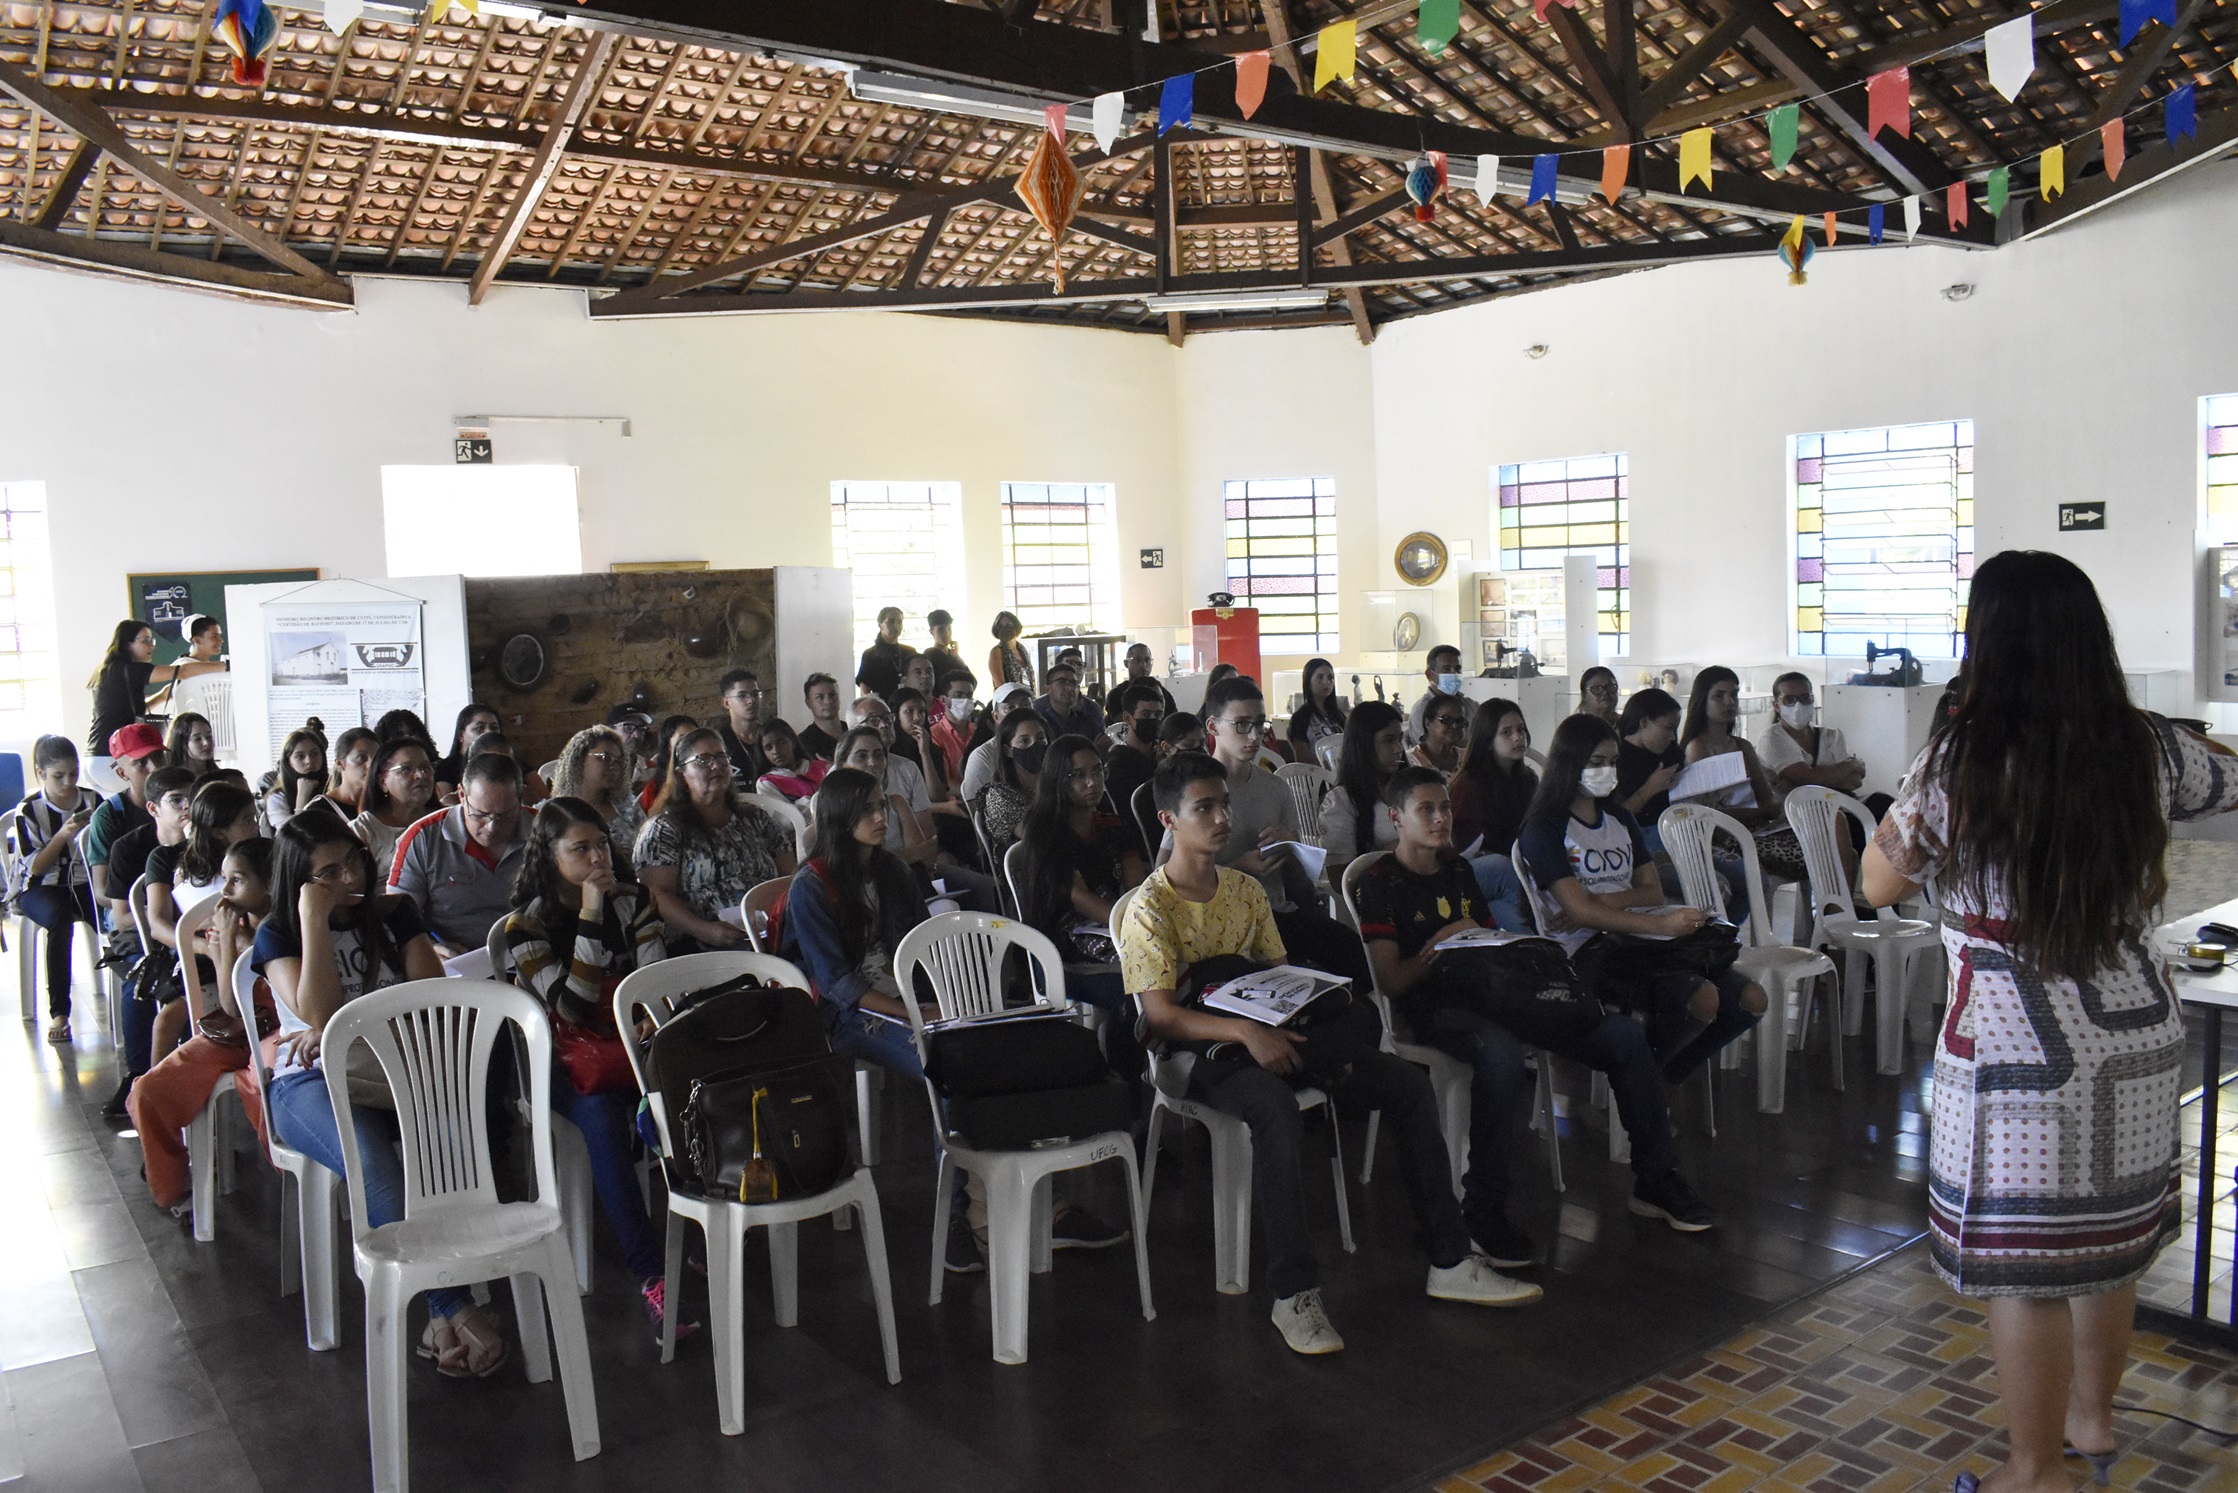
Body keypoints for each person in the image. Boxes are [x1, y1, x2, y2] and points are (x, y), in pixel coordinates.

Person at [1859, 551, 2238, 1493]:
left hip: (2017, 1053)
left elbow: (1879, 882)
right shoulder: (2148, 745)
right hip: (2135, 1040)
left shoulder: (1961, 758)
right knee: (2106, 1252)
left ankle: (2035, 1474)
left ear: (1987, 639)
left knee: (2025, 1268)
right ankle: (2093, 1426)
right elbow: (2230, 782)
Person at [1122, 751, 1535, 1354]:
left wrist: (1298, 1009)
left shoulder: (1243, 890)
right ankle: (1294, 1293)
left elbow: (1278, 972)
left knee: (1406, 1084)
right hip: (1197, 1054)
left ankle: (1449, 1259)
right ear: (1168, 820)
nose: (1221, 819)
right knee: (1275, 1109)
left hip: (1269, 1032)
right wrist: (1245, 1034)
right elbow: (1160, 1015)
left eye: (1223, 805)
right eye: (1203, 809)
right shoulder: (1150, 906)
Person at [1357, 766, 1712, 1256]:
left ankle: (1655, 1179)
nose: (1441, 818)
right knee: (1501, 1055)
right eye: (1427, 810)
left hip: (1495, 990)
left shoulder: (1458, 870)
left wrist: (1497, 940)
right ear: (1397, 818)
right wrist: (1440, 944)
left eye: (1445, 807)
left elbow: (1488, 942)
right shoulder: (1378, 882)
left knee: (1623, 1036)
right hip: (1435, 1004)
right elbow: (1392, 982)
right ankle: (1483, 1210)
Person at [254, 807, 506, 1378]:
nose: (350, 878)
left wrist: (347, 1025)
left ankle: (440, 1323)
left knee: (452, 1150)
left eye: (353, 861)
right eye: (329, 873)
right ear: (300, 883)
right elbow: (318, 1012)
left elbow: (432, 1002)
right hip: (309, 1082)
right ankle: (454, 1306)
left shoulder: (395, 913)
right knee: (373, 1164)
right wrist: (314, 920)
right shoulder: (280, 932)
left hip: (396, 1074)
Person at [502, 797, 693, 1342]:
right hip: (567, 1065)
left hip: (633, 1047)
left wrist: (651, 1017)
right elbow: (573, 1008)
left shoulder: (634, 901)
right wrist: (591, 913)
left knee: (693, 1085)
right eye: (580, 849)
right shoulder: (526, 924)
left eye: (602, 845)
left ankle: (700, 1230)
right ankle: (652, 1276)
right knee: (603, 1118)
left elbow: (654, 981)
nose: (597, 859)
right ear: (551, 856)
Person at [1518, 714, 1765, 1091]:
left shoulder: (1618, 816)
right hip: (1587, 953)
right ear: (1570, 763)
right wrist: (1660, 924)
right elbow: (1579, 912)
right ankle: (1645, 1086)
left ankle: (1656, 1077)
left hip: (1640, 941)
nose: (1607, 771)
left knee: (1752, 999)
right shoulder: (1545, 827)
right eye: (1596, 762)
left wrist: (1603, 900)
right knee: (1702, 1000)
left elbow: (1651, 892)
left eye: (1613, 761)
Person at [1180, 676, 1368, 985]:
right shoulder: (1194, 790)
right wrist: (1238, 868)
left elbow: (1297, 882)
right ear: (1213, 726)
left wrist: (1291, 848)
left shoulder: (1276, 787)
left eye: (1260, 724)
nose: (1254, 735)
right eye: (1241, 725)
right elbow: (1167, 876)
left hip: (1273, 914)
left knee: (1357, 956)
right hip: (1215, 921)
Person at [128, 836, 276, 1218]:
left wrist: (239, 942)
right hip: (234, 1032)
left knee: (269, 1088)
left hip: (279, 1033)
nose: (224, 892)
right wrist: (225, 943)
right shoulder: (229, 925)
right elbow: (230, 1005)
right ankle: (173, 1188)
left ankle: (297, 1174)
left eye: (237, 880)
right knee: (148, 1091)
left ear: (270, 882)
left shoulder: (290, 924)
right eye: (225, 880)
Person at [781, 767, 930, 1082]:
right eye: (865, 810)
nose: (880, 817)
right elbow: (836, 982)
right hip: (846, 1013)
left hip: (907, 990)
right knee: (939, 1057)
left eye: (881, 805)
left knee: (974, 1040)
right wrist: (914, 1013)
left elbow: (924, 940)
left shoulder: (893, 870)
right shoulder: (811, 886)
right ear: (840, 816)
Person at [1014, 734, 1142, 1024]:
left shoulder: (1112, 825)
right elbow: (1078, 898)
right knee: (1143, 987)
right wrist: (1137, 927)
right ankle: (1120, 1050)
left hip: (1112, 928)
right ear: (1058, 781)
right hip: (1060, 949)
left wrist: (1144, 920)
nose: (1092, 782)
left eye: (1097, 771)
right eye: (1078, 776)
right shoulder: (1045, 833)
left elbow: (1136, 886)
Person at [632, 727, 794, 952]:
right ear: (680, 775)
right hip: (701, 943)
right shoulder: (664, 829)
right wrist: (704, 930)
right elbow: (657, 894)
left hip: (770, 932)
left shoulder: (756, 818)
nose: (716, 766)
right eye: (703, 760)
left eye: (721, 758)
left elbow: (790, 876)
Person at [7, 736, 105, 1041]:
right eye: (58, 776)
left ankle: (134, 991)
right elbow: (35, 868)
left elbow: (106, 853)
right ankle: (60, 1012)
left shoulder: (93, 801)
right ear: (41, 773)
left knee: (113, 915)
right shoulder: (28, 810)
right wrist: (62, 835)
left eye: (73, 774)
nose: (68, 782)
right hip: (40, 887)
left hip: (85, 882)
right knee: (60, 921)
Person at [389, 752, 530, 957]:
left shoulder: (545, 830)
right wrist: (431, 947)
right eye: (480, 814)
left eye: (504, 815)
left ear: (521, 797)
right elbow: (397, 917)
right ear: (461, 795)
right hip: (456, 958)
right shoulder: (422, 838)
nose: (491, 827)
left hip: (532, 952)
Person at [1680, 666, 1802, 877]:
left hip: (1756, 829)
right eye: (1719, 696)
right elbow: (1707, 814)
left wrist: (1762, 809)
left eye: (1734, 695)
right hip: (1723, 838)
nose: (1729, 702)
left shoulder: (1741, 746)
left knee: (1825, 845)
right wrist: (1757, 811)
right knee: (1811, 854)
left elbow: (1769, 801)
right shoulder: (1698, 747)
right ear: (1702, 701)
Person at [85, 619, 223, 774]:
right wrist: (230, 665)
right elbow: (182, 671)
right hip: (111, 757)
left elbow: (126, 712)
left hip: (95, 757)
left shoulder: (110, 669)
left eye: (152, 641)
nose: (151, 646)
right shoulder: (129, 669)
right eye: (146, 641)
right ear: (127, 643)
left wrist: (161, 697)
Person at [1445, 698, 1536, 931]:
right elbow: (1462, 845)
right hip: (1473, 871)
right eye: (1507, 732)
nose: (1518, 737)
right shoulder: (1469, 785)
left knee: (1499, 909)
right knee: (1500, 867)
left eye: (1521, 729)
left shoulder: (1527, 779)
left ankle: (1536, 943)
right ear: (1487, 741)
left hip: (1515, 869)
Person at [1760, 672, 1890, 823]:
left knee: (1883, 804)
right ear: (1776, 705)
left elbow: (1854, 781)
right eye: (1789, 700)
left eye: (1805, 698)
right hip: (1801, 819)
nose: (1798, 705)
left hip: (1841, 808)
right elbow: (1808, 778)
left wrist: (1802, 784)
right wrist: (1852, 764)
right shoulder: (1773, 738)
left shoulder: (1831, 736)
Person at [1321, 700, 1406, 884]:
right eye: (1388, 740)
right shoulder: (1342, 800)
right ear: (1364, 744)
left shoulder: (1408, 787)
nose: (1398, 748)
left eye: (1400, 739)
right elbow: (1338, 878)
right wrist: (1391, 853)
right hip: (1381, 890)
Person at [85, 723, 164, 905]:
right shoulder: (108, 816)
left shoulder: (181, 805)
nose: (154, 767)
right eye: (141, 762)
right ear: (122, 773)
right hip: (127, 906)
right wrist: (151, 907)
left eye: (158, 757)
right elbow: (101, 892)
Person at [548, 725, 646, 862]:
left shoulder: (628, 807)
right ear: (579, 760)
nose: (614, 766)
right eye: (605, 757)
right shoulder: (557, 812)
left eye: (619, 761)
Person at [351, 736, 438, 883]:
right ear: (382, 781)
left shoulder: (448, 821)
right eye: (406, 769)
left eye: (425, 767)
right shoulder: (364, 830)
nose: (420, 775)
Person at [974, 708, 1047, 854]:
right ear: (1008, 750)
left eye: (1040, 738)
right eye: (1024, 741)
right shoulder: (1000, 796)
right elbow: (1040, 839)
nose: (1035, 746)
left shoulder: (1054, 781)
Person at [1103, 680, 1166, 830]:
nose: (1153, 720)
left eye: (1158, 715)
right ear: (1127, 718)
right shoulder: (1116, 769)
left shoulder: (1164, 758)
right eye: (1146, 715)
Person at [960, 683, 1032, 803]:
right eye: (1010, 707)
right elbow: (978, 806)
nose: (1020, 711)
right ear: (996, 716)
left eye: (1025, 704)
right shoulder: (983, 756)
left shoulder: (1046, 743)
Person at [1285, 657, 1348, 763]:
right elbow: (1302, 759)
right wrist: (1331, 765)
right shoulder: (1301, 718)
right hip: (1318, 772)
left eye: (1330, 677)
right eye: (1320, 677)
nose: (1326, 682)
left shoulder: (1338, 715)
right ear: (1308, 681)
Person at [928, 669, 984, 788]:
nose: (965, 700)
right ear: (943, 700)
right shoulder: (934, 736)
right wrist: (971, 795)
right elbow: (944, 781)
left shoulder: (979, 732)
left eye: (969, 696)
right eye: (958, 695)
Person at [265, 729, 329, 831]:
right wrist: (302, 796)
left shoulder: (334, 785)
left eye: (314, 754)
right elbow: (290, 834)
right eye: (300, 756)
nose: (309, 761)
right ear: (288, 761)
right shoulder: (277, 797)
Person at [434, 703, 503, 797]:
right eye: (479, 728)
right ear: (461, 735)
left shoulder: (509, 763)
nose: (489, 732)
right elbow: (446, 802)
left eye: (494, 728)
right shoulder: (444, 768)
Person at [715, 668, 771, 783]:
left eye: (755, 694)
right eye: (742, 696)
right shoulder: (718, 741)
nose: (751, 701)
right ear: (726, 702)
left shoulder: (771, 734)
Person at [1405, 644, 1465, 747]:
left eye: (1458, 669)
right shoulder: (1421, 711)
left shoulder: (1471, 705)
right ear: (1429, 675)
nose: (1454, 673)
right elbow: (1427, 750)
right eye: (1446, 669)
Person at [755, 720, 829, 803]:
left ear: (793, 742)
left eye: (781, 743)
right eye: (768, 748)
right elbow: (782, 810)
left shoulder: (822, 769)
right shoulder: (767, 782)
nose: (775, 751)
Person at [1101, 643, 1176, 723]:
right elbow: (1123, 724)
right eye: (1138, 660)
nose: (1143, 665)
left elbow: (1173, 722)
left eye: (1147, 660)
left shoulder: (1162, 693)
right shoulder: (1116, 694)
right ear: (1126, 663)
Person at [637, 715, 698, 813]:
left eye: (695, 738)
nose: (690, 744)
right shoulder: (654, 789)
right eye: (682, 738)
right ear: (668, 746)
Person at [1034, 660, 1103, 745]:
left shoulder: (1087, 721)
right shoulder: (1040, 725)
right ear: (1048, 689)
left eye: (1073, 683)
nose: (1070, 688)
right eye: (1062, 682)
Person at [856, 607, 913, 699]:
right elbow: (865, 687)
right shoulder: (870, 654)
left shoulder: (910, 652)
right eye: (891, 622)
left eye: (899, 622)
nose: (896, 626)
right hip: (883, 704)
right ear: (880, 625)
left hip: (907, 702)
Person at [1409, 691, 1469, 778]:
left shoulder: (1468, 759)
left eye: (1460, 721)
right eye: (1447, 720)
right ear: (1428, 722)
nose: (1455, 726)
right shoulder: (1410, 762)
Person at [324, 727, 379, 818]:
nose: (371, 765)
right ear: (340, 764)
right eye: (361, 757)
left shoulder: (384, 805)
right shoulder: (321, 808)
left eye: (376, 758)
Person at [605, 704, 656, 796]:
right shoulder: (599, 767)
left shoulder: (652, 770)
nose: (636, 735)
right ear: (611, 730)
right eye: (628, 728)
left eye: (641, 729)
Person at [796, 674, 846, 762]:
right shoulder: (803, 743)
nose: (828, 701)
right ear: (808, 703)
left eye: (833, 695)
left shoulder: (853, 731)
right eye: (819, 697)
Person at [988, 610, 1035, 695]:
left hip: (1028, 697)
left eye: (1008, 626)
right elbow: (1001, 685)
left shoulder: (1022, 650)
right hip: (1009, 699)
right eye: (1001, 626)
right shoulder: (997, 652)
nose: (1005, 629)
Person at [164, 712, 218, 780]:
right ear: (182, 743)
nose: (206, 743)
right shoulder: (173, 780)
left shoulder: (221, 777)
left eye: (209, 736)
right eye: (197, 739)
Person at [922, 609, 964, 682]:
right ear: (932, 632)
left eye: (949, 629)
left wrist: (956, 657)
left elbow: (971, 681)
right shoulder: (929, 656)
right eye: (941, 630)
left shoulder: (953, 654)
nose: (947, 634)